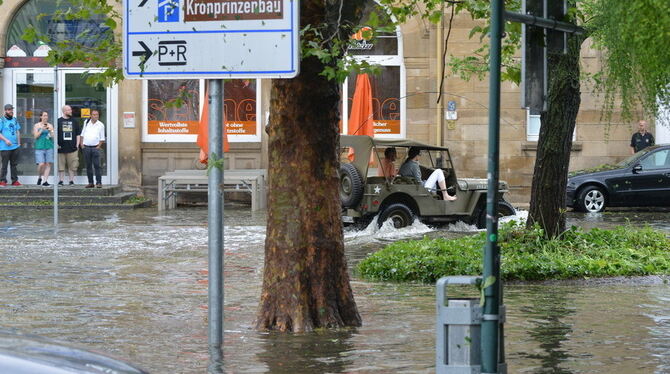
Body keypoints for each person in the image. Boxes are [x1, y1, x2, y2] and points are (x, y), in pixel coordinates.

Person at [80, 109, 105, 188]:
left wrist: (98, 147)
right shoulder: (86, 122)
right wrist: (82, 145)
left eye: (97, 115)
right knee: (88, 166)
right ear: (91, 115)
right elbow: (82, 134)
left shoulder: (100, 125)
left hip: (95, 147)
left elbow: (102, 138)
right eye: (94, 115)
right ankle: (91, 182)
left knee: (97, 165)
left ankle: (99, 182)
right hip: (86, 147)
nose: (95, 116)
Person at [57, 105, 81, 185]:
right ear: (64, 111)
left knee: (72, 166)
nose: (71, 111)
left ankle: (71, 181)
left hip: (72, 147)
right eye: (69, 110)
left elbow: (78, 134)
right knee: (61, 166)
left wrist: (77, 145)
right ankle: (61, 180)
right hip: (61, 148)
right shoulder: (58, 121)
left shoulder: (75, 121)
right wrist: (56, 144)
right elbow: (55, 134)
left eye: (70, 109)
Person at [0, 104, 22, 187]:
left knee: (14, 165)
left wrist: (19, 142)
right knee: (4, 165)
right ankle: (3, 181)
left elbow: (17, 131)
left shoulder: (15, 120)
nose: (11, 111)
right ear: (5, 111)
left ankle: (15, 181)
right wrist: (6, 140)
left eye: (11, 109)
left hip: (15, 147)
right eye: (9, 110)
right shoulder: (2, 120)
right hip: (5, 147)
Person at [32, 111, 55, 186]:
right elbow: (35, 136)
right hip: (39, 147)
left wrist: (51, 130)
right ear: (41, 117)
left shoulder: (50, 125)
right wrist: (41, 129)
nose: (46, 117)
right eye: (44, 115)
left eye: (47, 116)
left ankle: (45, 181)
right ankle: (39, 177)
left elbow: (53, 136)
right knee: (41, 164)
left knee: (48, 164)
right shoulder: (37, 125)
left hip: (49, 146)